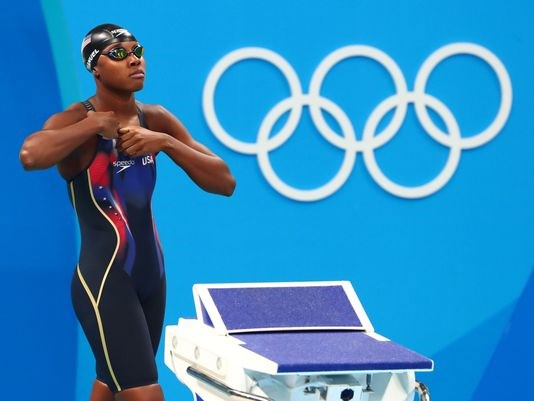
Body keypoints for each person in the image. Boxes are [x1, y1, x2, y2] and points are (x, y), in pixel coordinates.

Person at [19, 23, 236, 401]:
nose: (135, 58)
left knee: (111, 384)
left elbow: (225, 182)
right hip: (105, 280)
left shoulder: (155, 120)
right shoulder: (77, 120)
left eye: (137, 50)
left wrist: (166, 143)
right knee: (144, 391)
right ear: (95, 68)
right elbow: (31, 154)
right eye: (119, 53)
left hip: (152, 279)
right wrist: (91, 126)